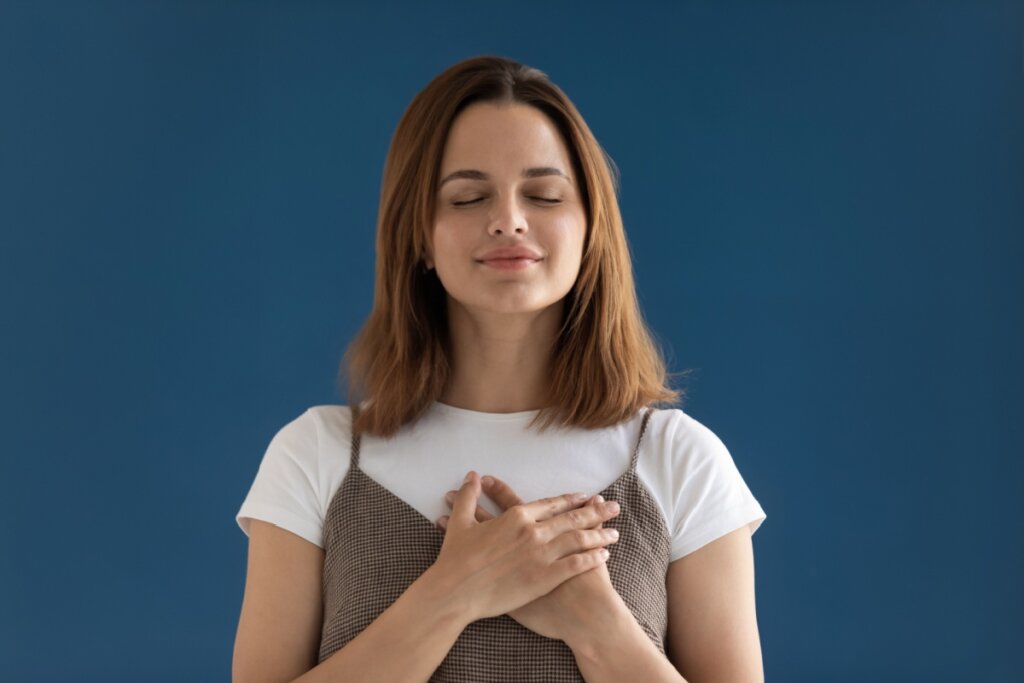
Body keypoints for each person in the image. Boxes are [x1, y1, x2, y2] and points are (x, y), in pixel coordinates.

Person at [232, 55, 766, 683]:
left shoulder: (682, 461)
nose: (509, 219)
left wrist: (595, 624)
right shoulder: (314, 455)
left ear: (591, 228)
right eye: (468, 197)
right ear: (418, 238)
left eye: (543, 195)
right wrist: (455, 592)